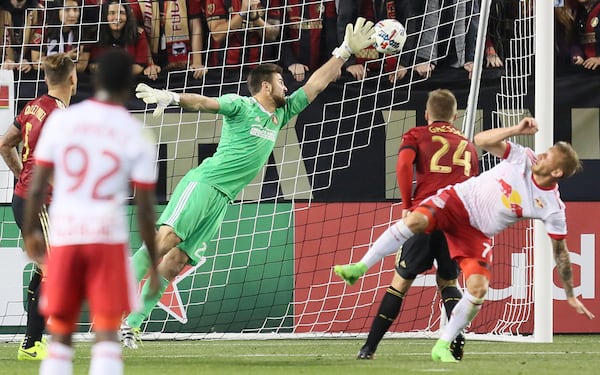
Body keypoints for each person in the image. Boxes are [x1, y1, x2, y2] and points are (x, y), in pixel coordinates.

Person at [119, 17, 377, 349]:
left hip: (222, 199)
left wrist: (343, 52)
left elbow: (315, 85)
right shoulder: (242, 106)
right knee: (165, 239)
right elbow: (205, 103)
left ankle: (132, 324)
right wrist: (171, 96)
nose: (287, 86)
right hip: (204, 184)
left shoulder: (280, 114)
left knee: (175, 261)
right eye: (281, 81)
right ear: (266, 86)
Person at [334, 117, 595, 362]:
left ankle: (442, 344)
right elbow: (481, 140)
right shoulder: (523, 158)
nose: (541, 154)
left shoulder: (552, 207)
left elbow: (560, 252)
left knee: (478, 288)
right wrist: (515, 129)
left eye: (548, 156)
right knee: (415, 221)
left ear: (557, 172)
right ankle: (359, 267)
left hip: (475, 233)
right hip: (458, 202)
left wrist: (570, 294)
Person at [21, 49, 160, 375]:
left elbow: (37, 186)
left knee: (60, 338)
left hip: (67, 237)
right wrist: (153, 262)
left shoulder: (63, 121)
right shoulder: (136, 134)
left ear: (92, 79)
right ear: (128, 84)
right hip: (106, 242)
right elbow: (144, 211)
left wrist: (29, 233)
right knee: (108, 337)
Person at [357, 89, 479, 360]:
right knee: (449, 281)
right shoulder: (468, 145)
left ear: (427, 114)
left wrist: (406, 205)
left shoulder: (417, 134)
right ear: (454, 115)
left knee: (400, 282)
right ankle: (456, 345)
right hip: (456, 222)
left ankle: (369, 348)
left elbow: (402, 165)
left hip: (425, 214)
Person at [0, 52, 78, 361]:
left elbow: (5, 144)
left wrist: (22, 176)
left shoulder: (33, 106)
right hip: (39, 203)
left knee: (44, 267)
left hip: (25, 199)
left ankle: (34, 341)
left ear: (47, 79)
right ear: (73, 78)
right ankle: (32, 344)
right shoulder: (60, 115)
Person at [88, 0, 160, 80]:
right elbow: (93, 66)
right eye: (112, 13)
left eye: (122, 13)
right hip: (103, 81)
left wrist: (115, 72)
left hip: (130, 82)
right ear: (105, 16)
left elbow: (139, 66)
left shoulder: (138, 33)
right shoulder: (96, 34)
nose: (117, 17)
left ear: (127, 15)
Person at [30, 0, 91, 73]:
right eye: (67, 10)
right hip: (47, 77)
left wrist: (51, 64)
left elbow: (81, 67)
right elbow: (36, 63)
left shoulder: (84, 33)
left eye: (75, 10)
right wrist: (65, 56)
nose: (72, 15)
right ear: (57, 11)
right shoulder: (43, 30)